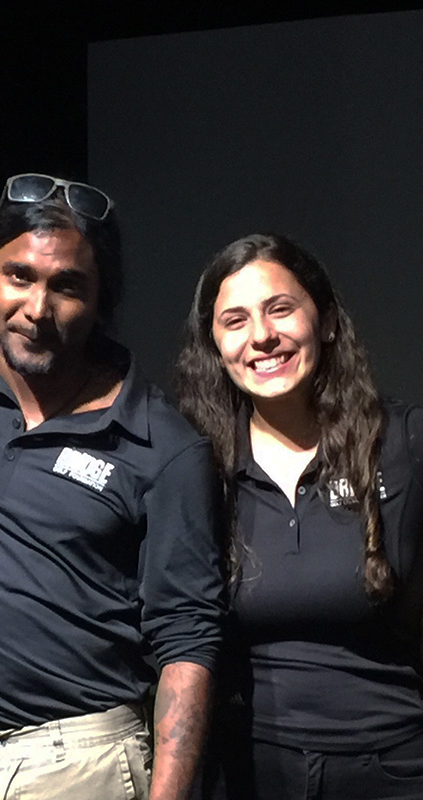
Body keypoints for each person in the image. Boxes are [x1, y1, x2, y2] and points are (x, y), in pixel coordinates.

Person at [0, 175, 225, 800]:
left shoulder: (163, 445)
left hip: (84, 759)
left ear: (101, 301)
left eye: (67, 286)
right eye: (18, 276)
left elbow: (188, 638)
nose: (37, 309)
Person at [174, 233, 423, 799]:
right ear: (214, 345)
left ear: (327, 320)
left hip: (394, 767)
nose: (261, 336)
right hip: (247, 773)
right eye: (234, 321)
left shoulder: (403, 443)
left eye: (280, 309)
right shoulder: (195, 465)